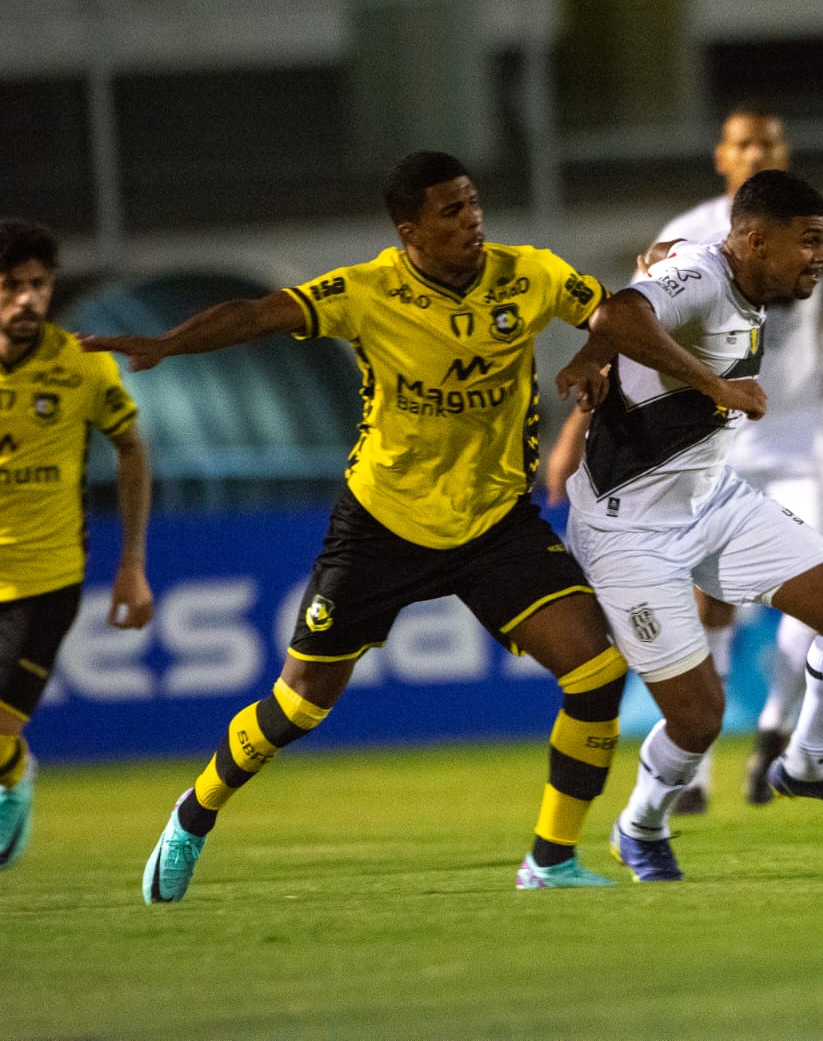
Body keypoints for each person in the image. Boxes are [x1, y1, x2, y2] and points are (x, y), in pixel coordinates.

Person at [80, 151, 629, 901]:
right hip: (382, 523)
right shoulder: (368, 291)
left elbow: (617, 308)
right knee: (299, 702)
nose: (472, 221)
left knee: (596, 669)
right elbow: (257, 314)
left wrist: (597, 349)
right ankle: (195, 810)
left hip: (494, 518)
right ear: (411, 231)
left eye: (473, 204)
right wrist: (167, 344)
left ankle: (551, 859)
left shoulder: (527, 272)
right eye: (451, 212)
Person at [543, 106, 823, 814]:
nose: (821, 256)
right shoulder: (700, 254)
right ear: (754, 238)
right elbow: (626, 312)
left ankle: (805, 759)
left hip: (723, 480)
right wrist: (710, 385)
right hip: (633, 522)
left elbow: (628, 316)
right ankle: (640, 823)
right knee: (698, 713)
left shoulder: (761, 263)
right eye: (809, 243)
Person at [0, 218, 156, 870]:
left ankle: (13, 779)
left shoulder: (81, 363)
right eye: (11, 285)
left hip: (47, 580)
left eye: (38, 284)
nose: (28, 298)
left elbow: (129, 448)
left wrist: (133, 567)